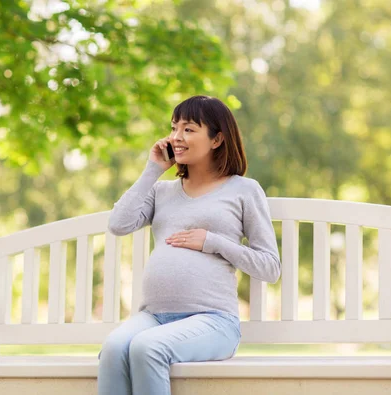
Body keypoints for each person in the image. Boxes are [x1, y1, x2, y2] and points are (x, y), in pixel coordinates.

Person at [97, 95, 281, 395]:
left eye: (188, 129)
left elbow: (270, 267)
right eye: (174, 128)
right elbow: (118, 224)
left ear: (217, 139)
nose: (176, 137)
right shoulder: (162, 192)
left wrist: (212, 241)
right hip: (153, 317)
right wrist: (153, 170)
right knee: (114, 349)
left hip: (214, 321)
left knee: (147, 348)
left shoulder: (244, 190)